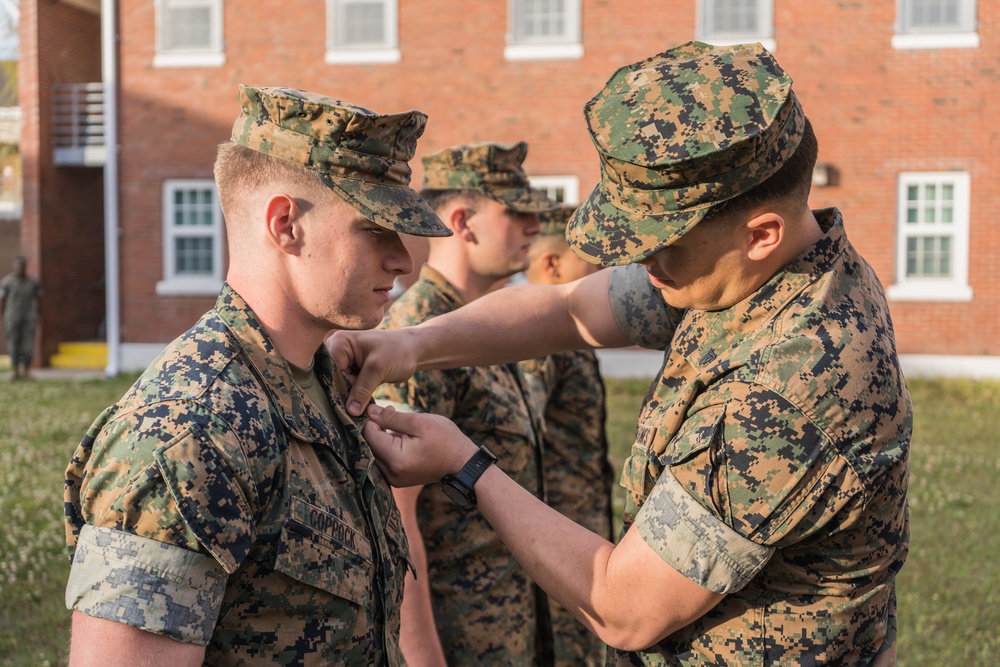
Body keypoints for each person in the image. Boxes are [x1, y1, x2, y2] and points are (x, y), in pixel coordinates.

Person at [328, 41, 909, 666]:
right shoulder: (744, 268)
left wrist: (465, 465)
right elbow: (569, 309)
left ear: (761, 233)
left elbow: (625, 606)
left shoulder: (797, 385)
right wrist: (410, 343)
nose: (642, 262)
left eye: (663, 244)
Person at [63, 85, 451, 666]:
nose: (402, 259)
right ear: (285, 224)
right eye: (374, 230)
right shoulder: (188, 432)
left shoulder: (328, 383)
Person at [374, 141, 559, 666]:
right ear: (463, 221)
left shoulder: (486, 326)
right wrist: (424, 659)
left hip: (511, 630)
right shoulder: (416, 339)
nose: (534, 225)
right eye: (517, 213)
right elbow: (396, 521)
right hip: (459, 643)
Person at [519, 204, 614, 667]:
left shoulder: (570, 331)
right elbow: (526, 440)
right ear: (552, 265)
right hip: (559, 533)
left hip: (581, 523)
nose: (603, 273)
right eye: (592, 263)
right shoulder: (540, 341)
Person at [0, 256, 42, 380]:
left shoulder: (33, 282)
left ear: (25, 268)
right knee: (14, 345)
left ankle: (27, 370)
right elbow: (2, 300)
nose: (20, 270)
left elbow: (39, 299)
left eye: (22, 267)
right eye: (17, 267)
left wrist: (39, 314)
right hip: (12, 317)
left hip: (29, 317)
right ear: (14, 268)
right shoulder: (7, 282)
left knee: (28, 346)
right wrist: (3, 316)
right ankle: (15, 371)